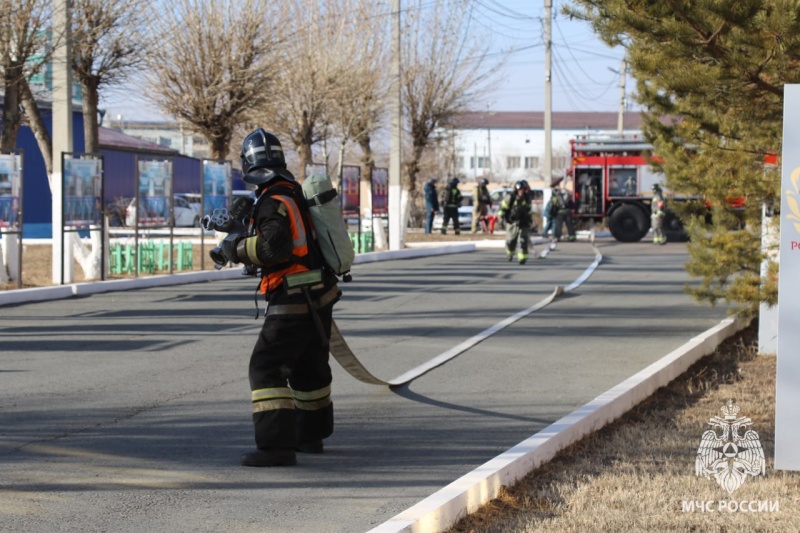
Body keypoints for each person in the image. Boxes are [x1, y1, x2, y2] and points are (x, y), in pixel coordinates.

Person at [223, 128, 341, 467]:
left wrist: (236, 248)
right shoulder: (292, 191)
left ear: (249, 164)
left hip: (293, 295)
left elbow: (273, 247)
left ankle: (275, 448)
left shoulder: (272, 200)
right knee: (308, 366)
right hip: (319, 290)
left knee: (265, 368)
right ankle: (311, 436)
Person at [498, 180, 534, 264]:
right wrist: (500, 220)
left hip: (523, 222)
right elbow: (502, 210)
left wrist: (530, 220)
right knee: (511, 241)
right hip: (512, 222)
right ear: (516, 190)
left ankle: (522, 258)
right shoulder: (510, 197)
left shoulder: (527, 198)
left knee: (523, 240)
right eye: (520, 189)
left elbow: (529, 210)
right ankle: (510, 253)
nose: (521, 191)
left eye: (523, 189)